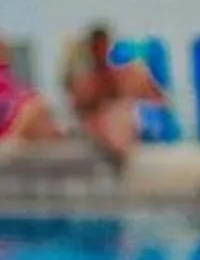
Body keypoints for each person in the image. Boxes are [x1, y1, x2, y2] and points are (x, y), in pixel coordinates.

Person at [60, 24, 166, 164]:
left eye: (103, 47)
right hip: (101, 131)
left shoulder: (131, 74)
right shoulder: (86, 83)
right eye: (96, 48)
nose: (100, 52)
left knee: (120, 113)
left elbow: (159, 101)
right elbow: (77, 111)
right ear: (90, 49)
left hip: (130, 125)